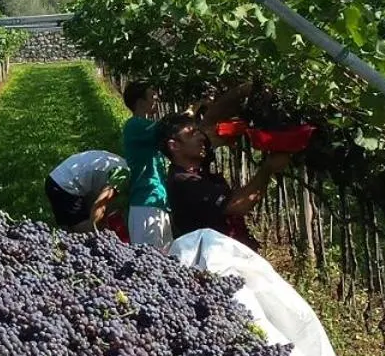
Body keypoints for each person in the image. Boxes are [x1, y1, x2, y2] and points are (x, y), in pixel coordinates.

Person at [159, 110, 291, 249]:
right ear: (174, 146)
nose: (201, 137)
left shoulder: (193, 167)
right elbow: (237, 206)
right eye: (192, 134)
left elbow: (211, 127)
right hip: (214, 259)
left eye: (198, 132)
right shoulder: (185, 182)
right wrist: (267, 169)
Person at [119, 82, 172, 248]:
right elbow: (169, 129)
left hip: (157, 202)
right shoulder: (135, 125)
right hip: (145, 205)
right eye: (151, 96)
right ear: (140, 102)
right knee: (150, 263)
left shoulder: (145, 128)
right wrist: (193, 110)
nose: (156, 99)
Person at [45, 149, 125, 233]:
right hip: (66, 184)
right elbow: (100, 203)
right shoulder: (123, 175)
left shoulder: (121, 164)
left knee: (67, 231)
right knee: (83, 231)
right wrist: (94, 230)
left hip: (57, 179)